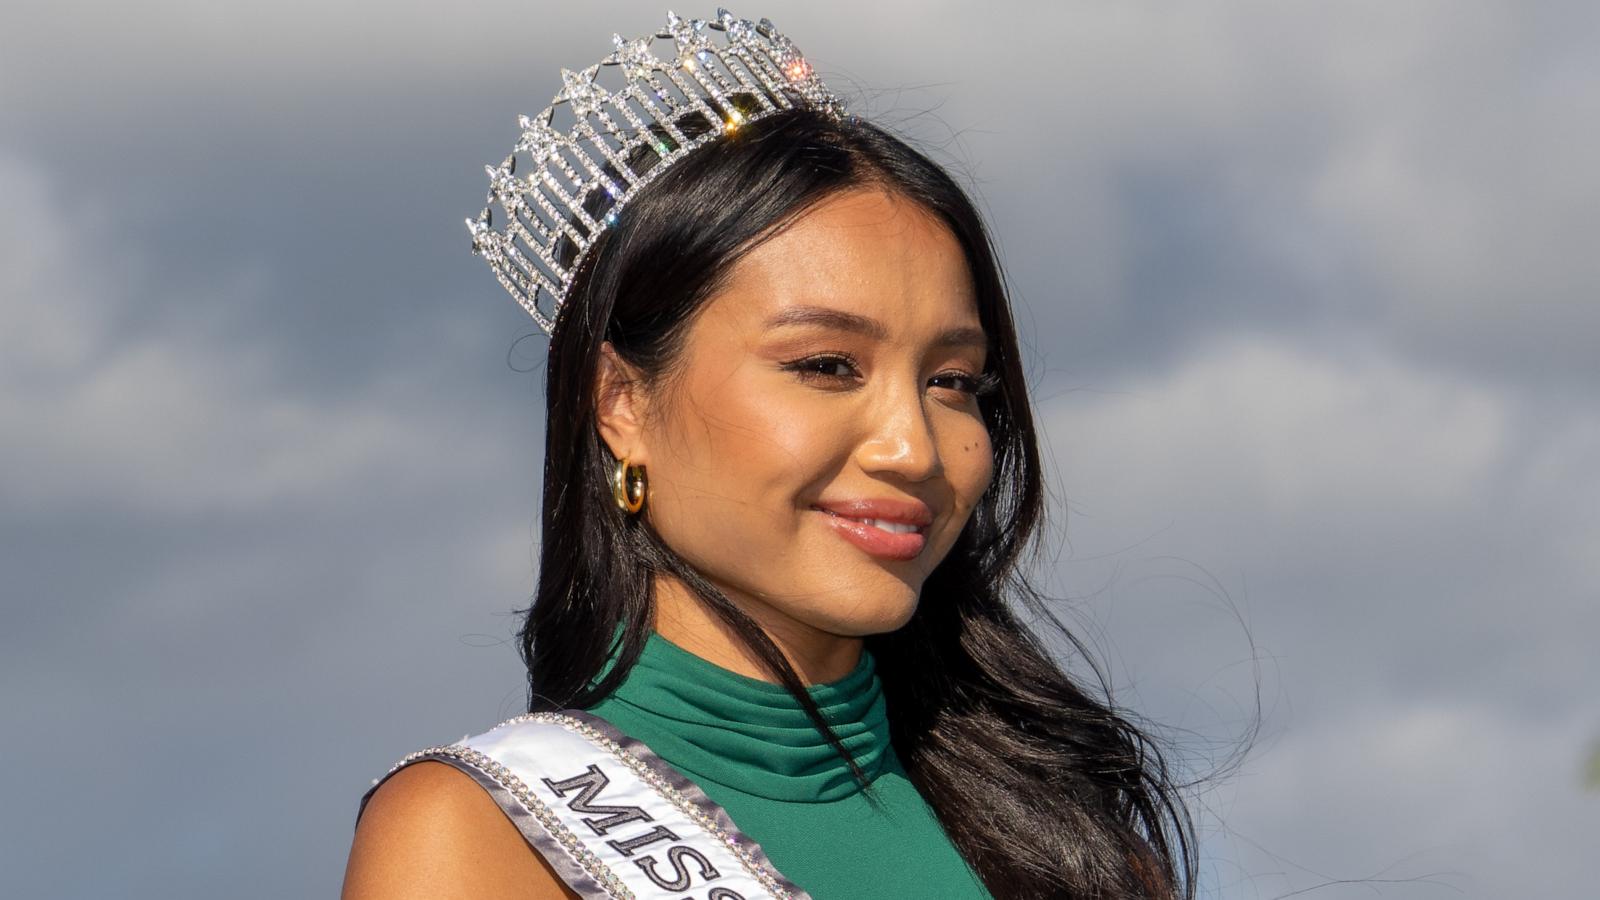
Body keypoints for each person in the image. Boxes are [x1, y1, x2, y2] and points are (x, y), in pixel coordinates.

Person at [342, 8, 1195, 899]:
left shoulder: (1073, 850)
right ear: (621, 403)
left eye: (953, 382)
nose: (912, 448)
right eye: (826, 366)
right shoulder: (484, 839)